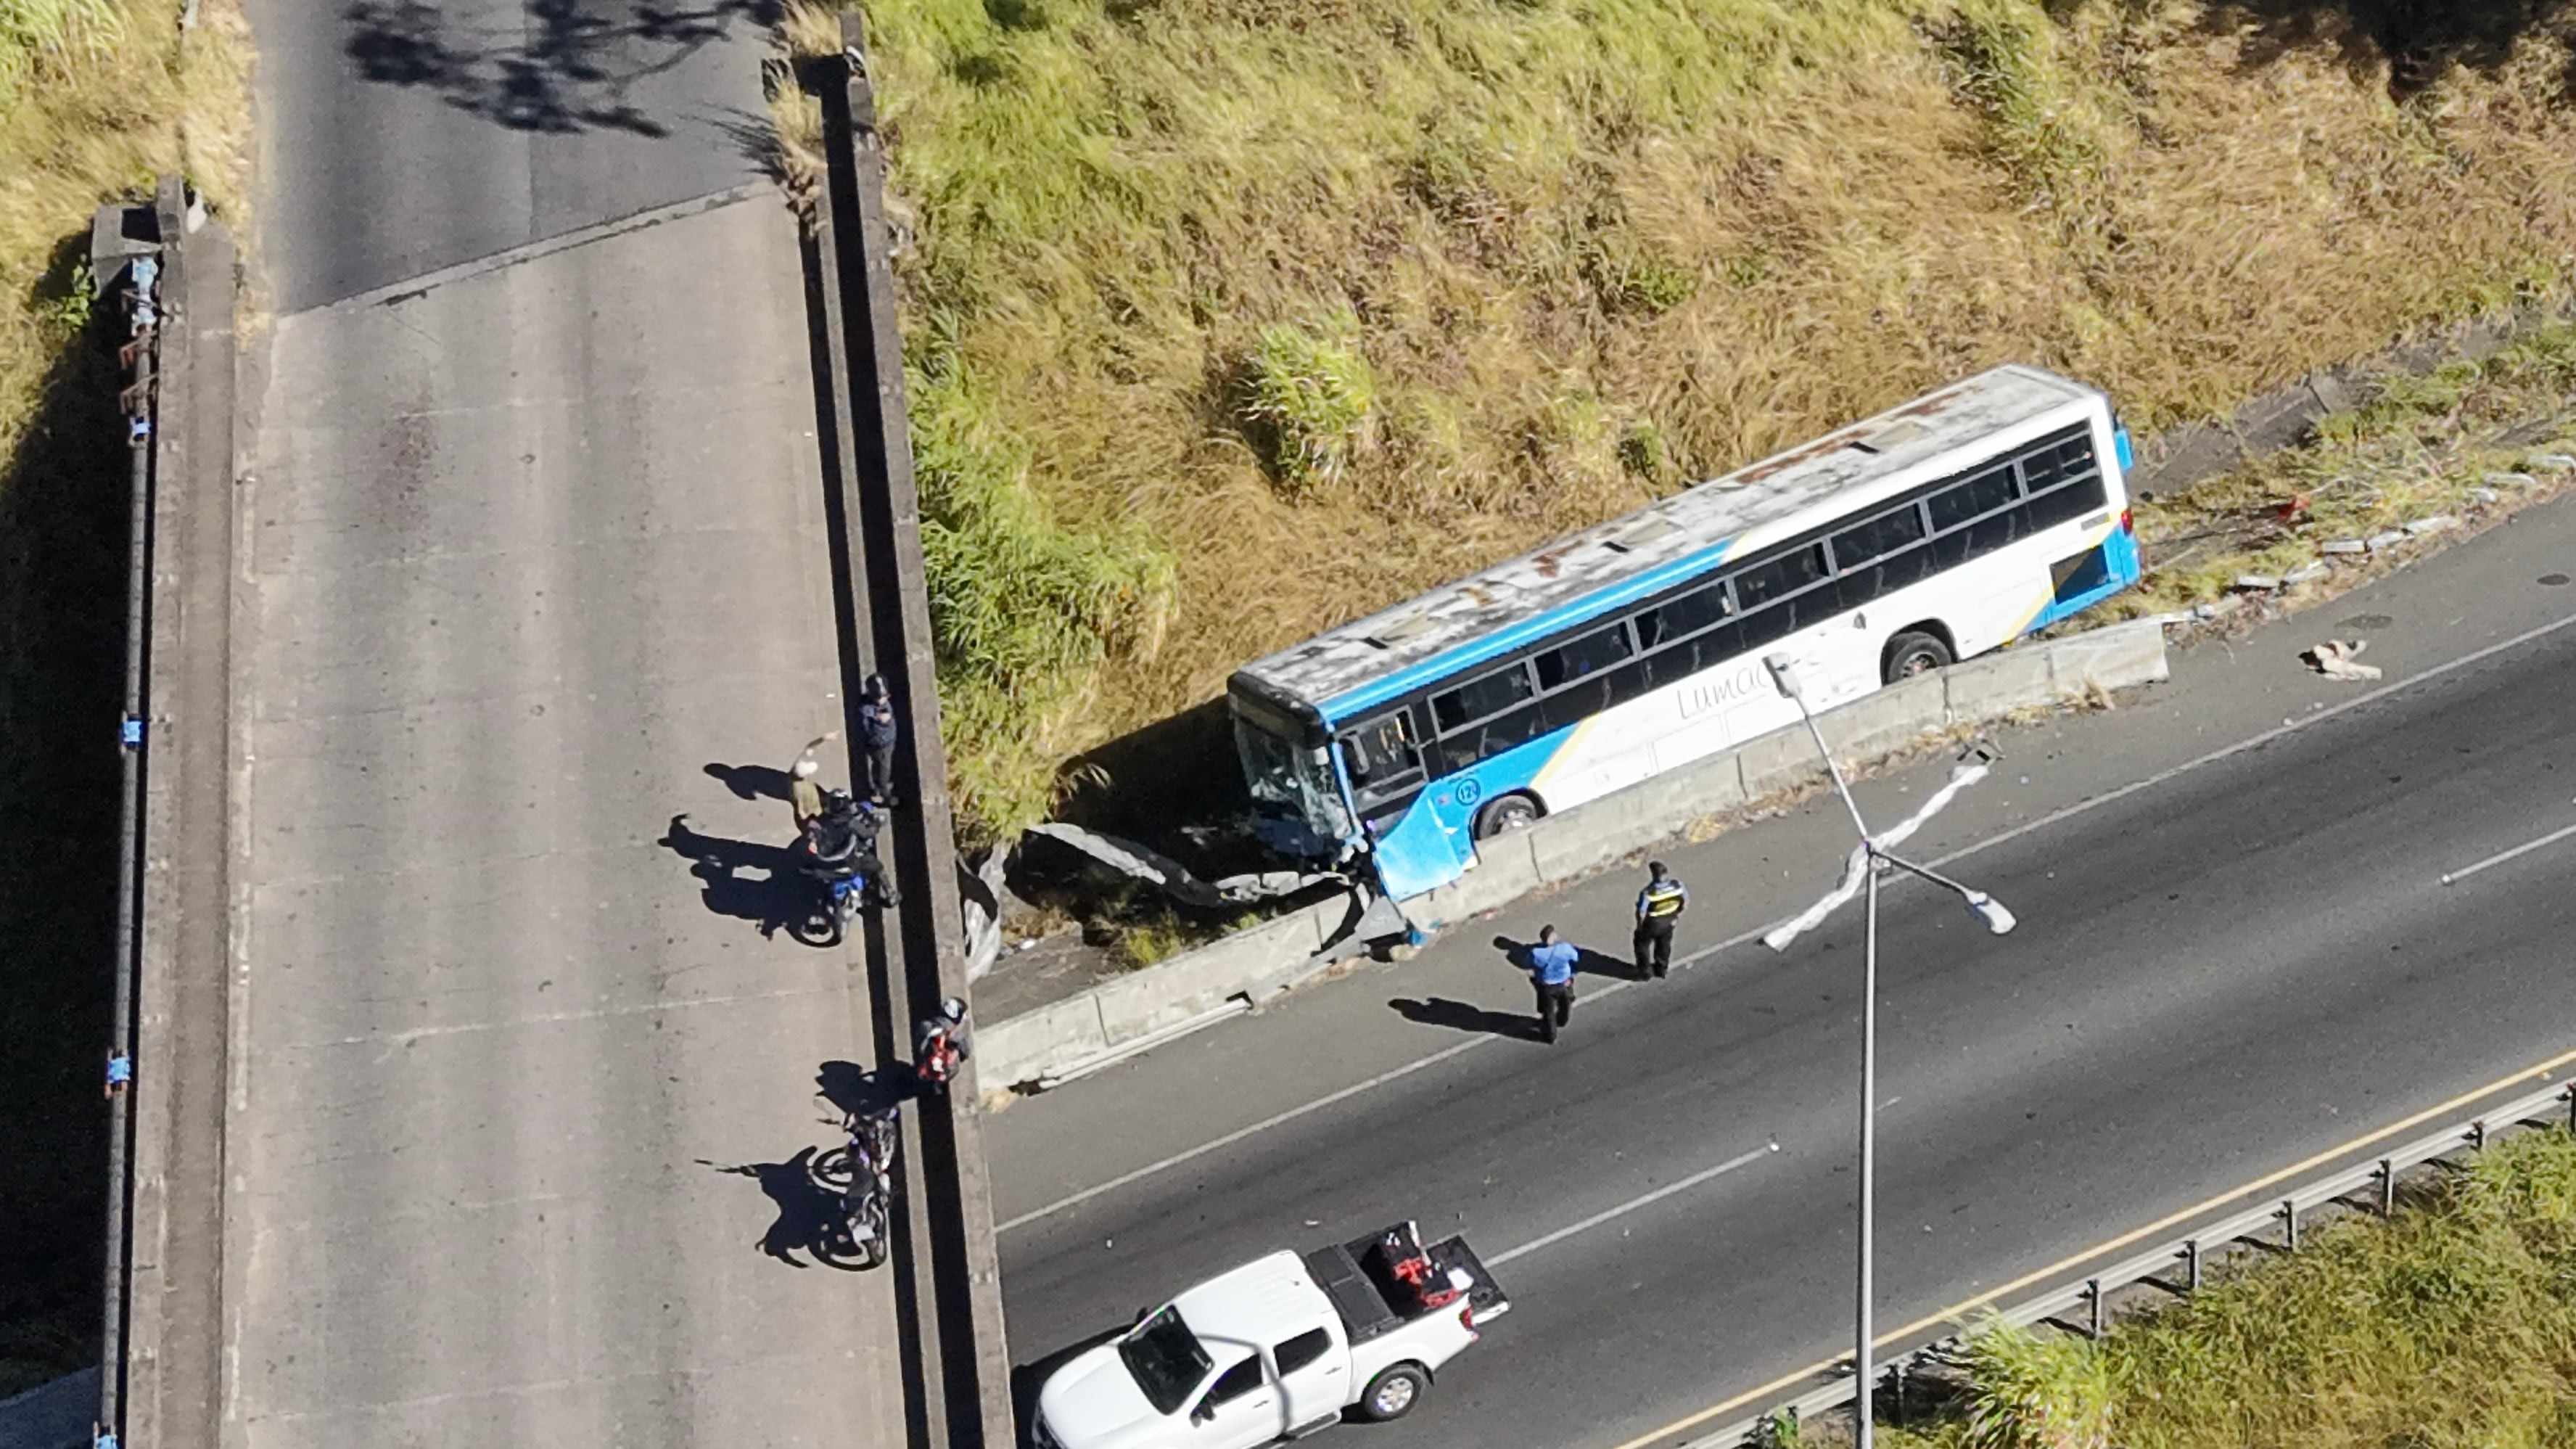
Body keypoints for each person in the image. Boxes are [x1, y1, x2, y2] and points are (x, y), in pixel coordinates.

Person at [1633, 861, 1690, 980]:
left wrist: (1639, 926)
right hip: (1670, 920)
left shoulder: (1649, 892)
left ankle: (1645, 972)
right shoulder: (1678, 885)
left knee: (1641, 944)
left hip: (1653, 922)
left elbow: (1642, 912)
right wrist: (1676, 914)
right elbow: (1685, 902)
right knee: (1664, 944)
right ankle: (1661, 969)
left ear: (1653, 875)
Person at [1526, 925, 1579, 1044]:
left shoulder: (1538, 953)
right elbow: (1575, 958)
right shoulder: (1565, 948)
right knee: (1565, 1005)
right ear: (1554, 937)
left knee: (1549, 1012)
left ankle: (1550, 1036)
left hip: (1547, 986)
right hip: (1564, 983)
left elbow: (1532, 965)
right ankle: (1562, 1021)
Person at [857, 674, 900, 807]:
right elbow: (865, 712)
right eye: (880, 696)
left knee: (882, 768)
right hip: (876, 743)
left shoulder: (884, 708)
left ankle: (882, 790)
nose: (885, 698)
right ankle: (883, 793)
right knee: (881, 769)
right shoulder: (868, 708)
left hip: (885, 742)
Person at [915, 996, 970, 1094]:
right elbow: (965, 1052)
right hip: (939, 1065)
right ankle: (935, 1082)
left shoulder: (928, 1024)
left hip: (925, 1059)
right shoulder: (954, 1033)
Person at [787, 731, 838, 830]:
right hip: (813, 813)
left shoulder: (797, 766)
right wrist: (812, 823)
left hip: (816, 805)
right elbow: (800, 811)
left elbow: (810, 747)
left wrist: (824, 738)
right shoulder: (797, 790)